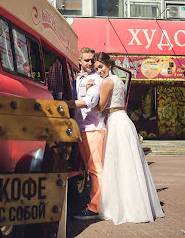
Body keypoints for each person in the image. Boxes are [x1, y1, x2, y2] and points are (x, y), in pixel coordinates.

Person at [91, 52, 164, 225]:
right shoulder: (119, 81)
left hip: (116, 122)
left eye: (100, 67)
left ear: (108, 65)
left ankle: (120, 206)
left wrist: (88, 93)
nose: (99, 71)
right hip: (125, 121)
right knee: (129, 163)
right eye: (96, 69)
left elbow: (101, 107)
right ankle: (136, 205)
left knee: (117, 164)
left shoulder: (107, 82)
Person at [67, 47, 106, 220]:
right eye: (87, 60)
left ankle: (94, 208)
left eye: (92, 60)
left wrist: (63, 103)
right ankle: (94, 203)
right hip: (82, 128)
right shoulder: (77, 77)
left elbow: (90, 101)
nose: (90, 63)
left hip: (93, 128)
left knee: (95, 169)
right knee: (89, 168)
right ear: (79, 61)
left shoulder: (96, 78)